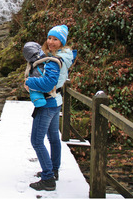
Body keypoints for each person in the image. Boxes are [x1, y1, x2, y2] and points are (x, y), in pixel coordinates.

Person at [24, 24, 76, 191]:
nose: (51, 42)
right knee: (53, 138)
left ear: (62, 42)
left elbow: (48, 84)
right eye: (49, 38)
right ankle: (53, 170)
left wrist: (29, 82)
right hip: (56, 101)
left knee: (37, 141)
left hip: (47, 103)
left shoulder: (54, 60)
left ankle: (48, 178)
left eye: (56, 39)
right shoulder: (64, 56)